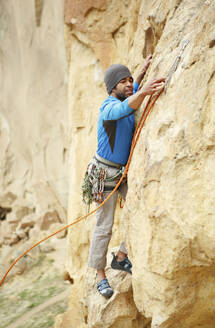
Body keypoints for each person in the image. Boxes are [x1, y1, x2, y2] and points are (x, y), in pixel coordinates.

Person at [87, 56, 165, 298]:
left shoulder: (127, 97)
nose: (129, 84)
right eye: (124, 81)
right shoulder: (109, 107)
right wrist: (140, 91)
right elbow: (124, 107)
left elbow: (132, 96)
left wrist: (139, 76)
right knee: (103, 226)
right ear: (113, 87)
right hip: (104, 174)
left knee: (139, 212)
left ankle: (120, 257)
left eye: (130, 80)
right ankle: (100, 275)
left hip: (122, 173)